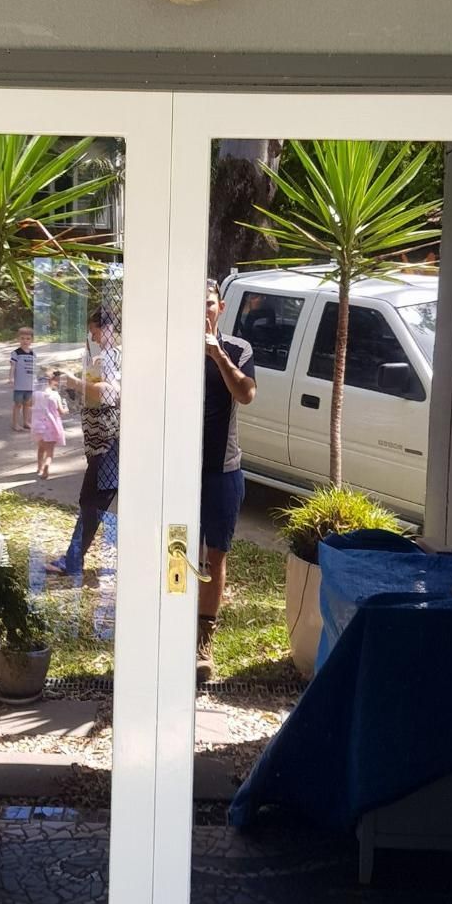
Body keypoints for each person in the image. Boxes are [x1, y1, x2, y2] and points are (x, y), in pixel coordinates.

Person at [197, 278, 256, 684]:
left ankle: (203, 642)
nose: (202, 310)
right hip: (180, 469)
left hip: (222, 470)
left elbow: (247, 393)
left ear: (222, 306)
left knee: (216, 556)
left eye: (209, 303)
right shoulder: (171, 347)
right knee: (175, 551)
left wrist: (217, 355)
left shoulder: (237, 349)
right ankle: (168, 632)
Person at [46, 307, 121, 576]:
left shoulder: (115, 357)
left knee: (92, 501)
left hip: (110, 444)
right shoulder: (100, 357)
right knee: (92, 500)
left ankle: (73, 560)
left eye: (96, 331)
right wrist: (69, 386)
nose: (94, 338)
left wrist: (75, 382)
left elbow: (108, 394)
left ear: (110, 328)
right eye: (91, 333)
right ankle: (74, 558)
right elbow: (89, 397)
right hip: (99, 442)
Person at [31, 370, 68, 479]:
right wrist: (66, 409)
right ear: (52, 381)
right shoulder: (55, 395)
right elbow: (61, 411)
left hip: (38, 427)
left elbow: (30, 405)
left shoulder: (36, 394)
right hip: (51, 427)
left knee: (40, 448)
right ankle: (46, 468)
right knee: (50, 452)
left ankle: (39, 467)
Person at [9, 326, 36, 431]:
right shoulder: (16, 353)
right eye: (23, 338)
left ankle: (26, 422)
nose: (25, 341)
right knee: (18, 404)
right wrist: (11, 378)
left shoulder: (33, 353)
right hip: (19, 385)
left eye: (28, 338)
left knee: (28, 404)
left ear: (31, 340)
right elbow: (12, 366)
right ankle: (15, 424)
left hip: (30, 385)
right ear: (18, 339)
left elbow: (35, 368)